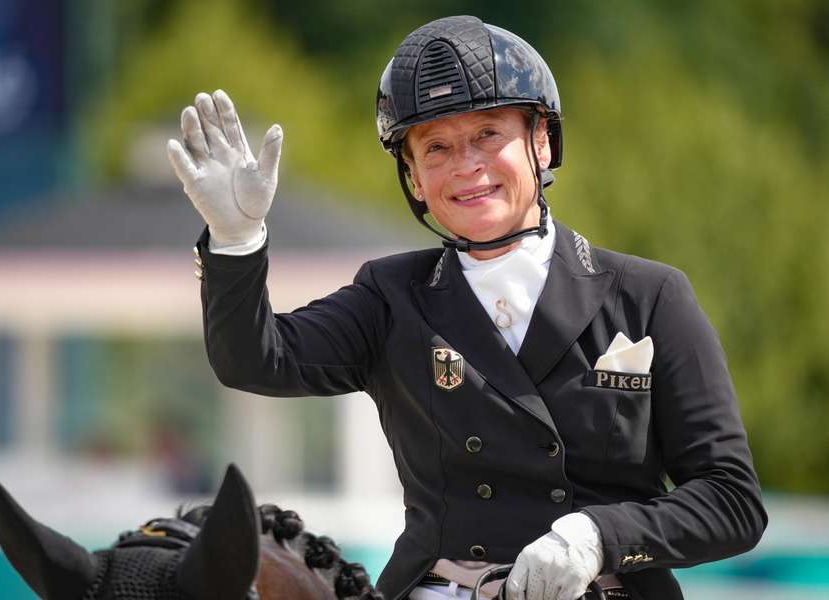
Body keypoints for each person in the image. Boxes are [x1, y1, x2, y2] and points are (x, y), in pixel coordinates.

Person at [167, 15, 766, 600]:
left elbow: (731, 499)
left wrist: (596, 537)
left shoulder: (648, 295)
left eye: (487, 135)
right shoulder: (389, 295)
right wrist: (236, 240)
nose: (466, 166)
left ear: (541, 142)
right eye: (437, 148)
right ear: (414, 177)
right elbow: (255, 361)